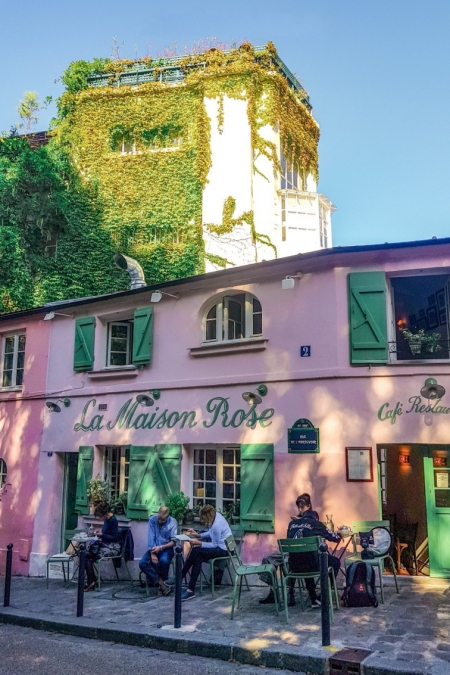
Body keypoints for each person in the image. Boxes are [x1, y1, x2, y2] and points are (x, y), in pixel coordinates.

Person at [258, 493, 320, 605]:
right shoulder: (295, 520)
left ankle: (290, 593)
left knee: (289, 562)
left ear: (309, 506)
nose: (300, 509)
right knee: (268, 559)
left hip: (301, 554)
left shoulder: (313, 516)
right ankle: (273, 590)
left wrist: (300, 521)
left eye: (303, 506)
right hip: (289, 549)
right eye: (299, 507)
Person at [167, 504, 231, 601]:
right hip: (221, 547)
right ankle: (190, 590)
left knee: (196, 550)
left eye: (203, 517)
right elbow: (211, 533)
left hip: (224, 550)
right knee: (197, 558)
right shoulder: (215, 517)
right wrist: (198, 534)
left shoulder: (217, 524)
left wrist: (199, 543)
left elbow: (214, 544)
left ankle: (180, 577)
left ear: (209, 515)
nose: (202, 520)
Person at [287, 496, 341, 608]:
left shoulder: (291, 524)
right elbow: (335, 538)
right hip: (311, 565)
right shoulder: (316, 524)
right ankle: (324, 595)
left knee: (304, 556)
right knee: (334, 562)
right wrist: (340, 534)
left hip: (294, 566)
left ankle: (312, 598)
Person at [139, 506, 177, 596]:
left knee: (164, 561)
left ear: (167, 516)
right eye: (159, 519)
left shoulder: (173, 522)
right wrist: (153, 553)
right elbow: (151, 537)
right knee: (142, 563)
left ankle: (163, 584)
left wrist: (161, 548)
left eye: (162, 520)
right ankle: (161, 583)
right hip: (153, 548)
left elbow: (173, 542)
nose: (160, 521)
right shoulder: (153, 520)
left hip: (166, 548)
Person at [84, 503, 120, 592]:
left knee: (86, 555)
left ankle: (91, 581)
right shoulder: (107, 520)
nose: (100, 518)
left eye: (100, 516)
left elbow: (115, 537)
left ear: (104, 513)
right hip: (106, 545)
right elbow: (107, 534)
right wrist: (100, 534)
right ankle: (92, 580)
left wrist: (102, 535)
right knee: (85, 555)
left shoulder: (113, 520)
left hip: (112, 547)